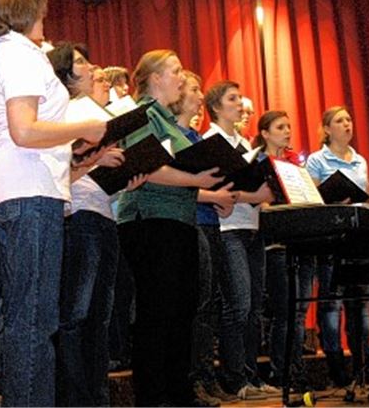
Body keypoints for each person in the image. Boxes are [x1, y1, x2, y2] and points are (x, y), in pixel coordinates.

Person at [0, 0, 106, 407]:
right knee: (34, 318)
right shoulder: (21, 56)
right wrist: (85, 125)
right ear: (27, 8)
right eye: (42, 2)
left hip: (14, 189)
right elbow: (25, 130)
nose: (47, 10)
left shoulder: (4, 55)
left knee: (23, 314)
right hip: (26, 190)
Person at [117, 50, 223, 406]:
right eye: (175, 71)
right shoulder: (142, 115)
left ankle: (177, 390)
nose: (181, 77)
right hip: (149, 221)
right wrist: (195, 176)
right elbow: (148, 168)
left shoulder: (170, 121)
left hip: (179, 221)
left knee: (182, 308)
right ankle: (153, 394)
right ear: (155, 78)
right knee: (157, 309)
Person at [48, 42, 144, 406]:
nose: (92, 67)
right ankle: (75, 398)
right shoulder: (65, 111)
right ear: (67, 73)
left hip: (103, 214)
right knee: (76, 313)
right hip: (78, 216)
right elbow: (59, 173)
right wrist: (95, 159)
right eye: (82, 62)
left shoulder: (94, 110)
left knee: (100, 316)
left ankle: (97, 397)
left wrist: (126, 176)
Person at [201, 81, 276, 400]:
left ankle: (252, 376)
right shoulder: (209, 141)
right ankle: (234, 378)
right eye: (232, 99)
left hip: (252, 226)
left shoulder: (245, 144)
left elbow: (257, 188)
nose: (240, 105)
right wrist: (252, 194)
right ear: (216, 107)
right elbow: (218, 191)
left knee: (254, 306)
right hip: (227, 228)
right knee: (238, 304)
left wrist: (263, 191)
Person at [170, 72, 239, 406]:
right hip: (190, 221)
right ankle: (192, 378)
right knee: (195, 302)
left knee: (209, 303)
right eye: (195, 89)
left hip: (210, 222)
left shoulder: (197, 138)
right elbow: (176, 184)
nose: (200, 96)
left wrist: (221, 198)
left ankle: (206, 374)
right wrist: (211, 197)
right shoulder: (174, 137)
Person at [305, 106, 369, 388]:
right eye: (339, 121)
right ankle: (337, 370)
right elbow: (310, 198)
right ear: (327, 129)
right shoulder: (316, 160)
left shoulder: (360, 161)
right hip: (331, 238)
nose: (347, 124)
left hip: (357, 238)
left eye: (349, 119)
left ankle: (363, 367)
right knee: (331, 303)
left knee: (360, 304)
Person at [252, 111, 316, 391]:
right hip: (277, 242)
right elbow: (260, 204)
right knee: (284, 311)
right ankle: (282, 371)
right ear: (265, 133)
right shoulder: (258, 163)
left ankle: (296, 369)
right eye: (280, 127)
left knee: (299, 311)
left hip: (301, 240)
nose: (288, 131)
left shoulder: (297, 163)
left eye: (289, 126)